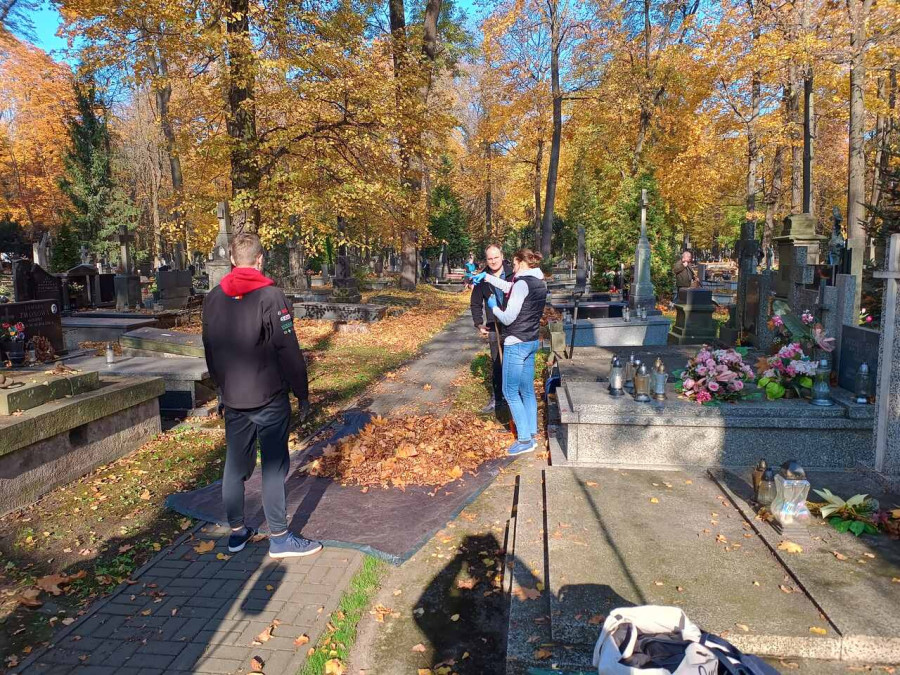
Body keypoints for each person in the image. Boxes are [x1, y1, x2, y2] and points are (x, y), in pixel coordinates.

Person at [202, 233, 323, 559]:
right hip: (269, 396)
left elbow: (209, 349)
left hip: (234, 398)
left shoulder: (213, 298)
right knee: (272, 465)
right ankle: (280, 538)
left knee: (235, 465)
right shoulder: (271, 296)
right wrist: (302, 392)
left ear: (232, 260)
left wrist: (221, 388)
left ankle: (237, 531)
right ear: (260, 260)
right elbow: (288, 349)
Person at [472, 248, 547, 456]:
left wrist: (493, 307)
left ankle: (524, 440)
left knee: (510, 391)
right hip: (531, 341)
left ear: (521, 262)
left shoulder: (522, 283)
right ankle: (531, 433)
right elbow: (510, 287)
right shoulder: (538, 281)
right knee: (527, 391)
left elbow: (507, 318)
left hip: (516, 342)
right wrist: (486, 277)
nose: (512, 268)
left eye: (513, 264)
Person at [470, 245, 515, 413]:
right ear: (486, 260)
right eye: (490, 258)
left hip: (513, 326)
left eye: (496, 257)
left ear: (502, 256)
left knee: (513, 362)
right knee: (497, 363)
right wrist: (478, 323)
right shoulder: (482, 278)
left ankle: (514, 396)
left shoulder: (513, 274)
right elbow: (475, 303)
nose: (493, 261)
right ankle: (497, 397)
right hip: (493, 325)